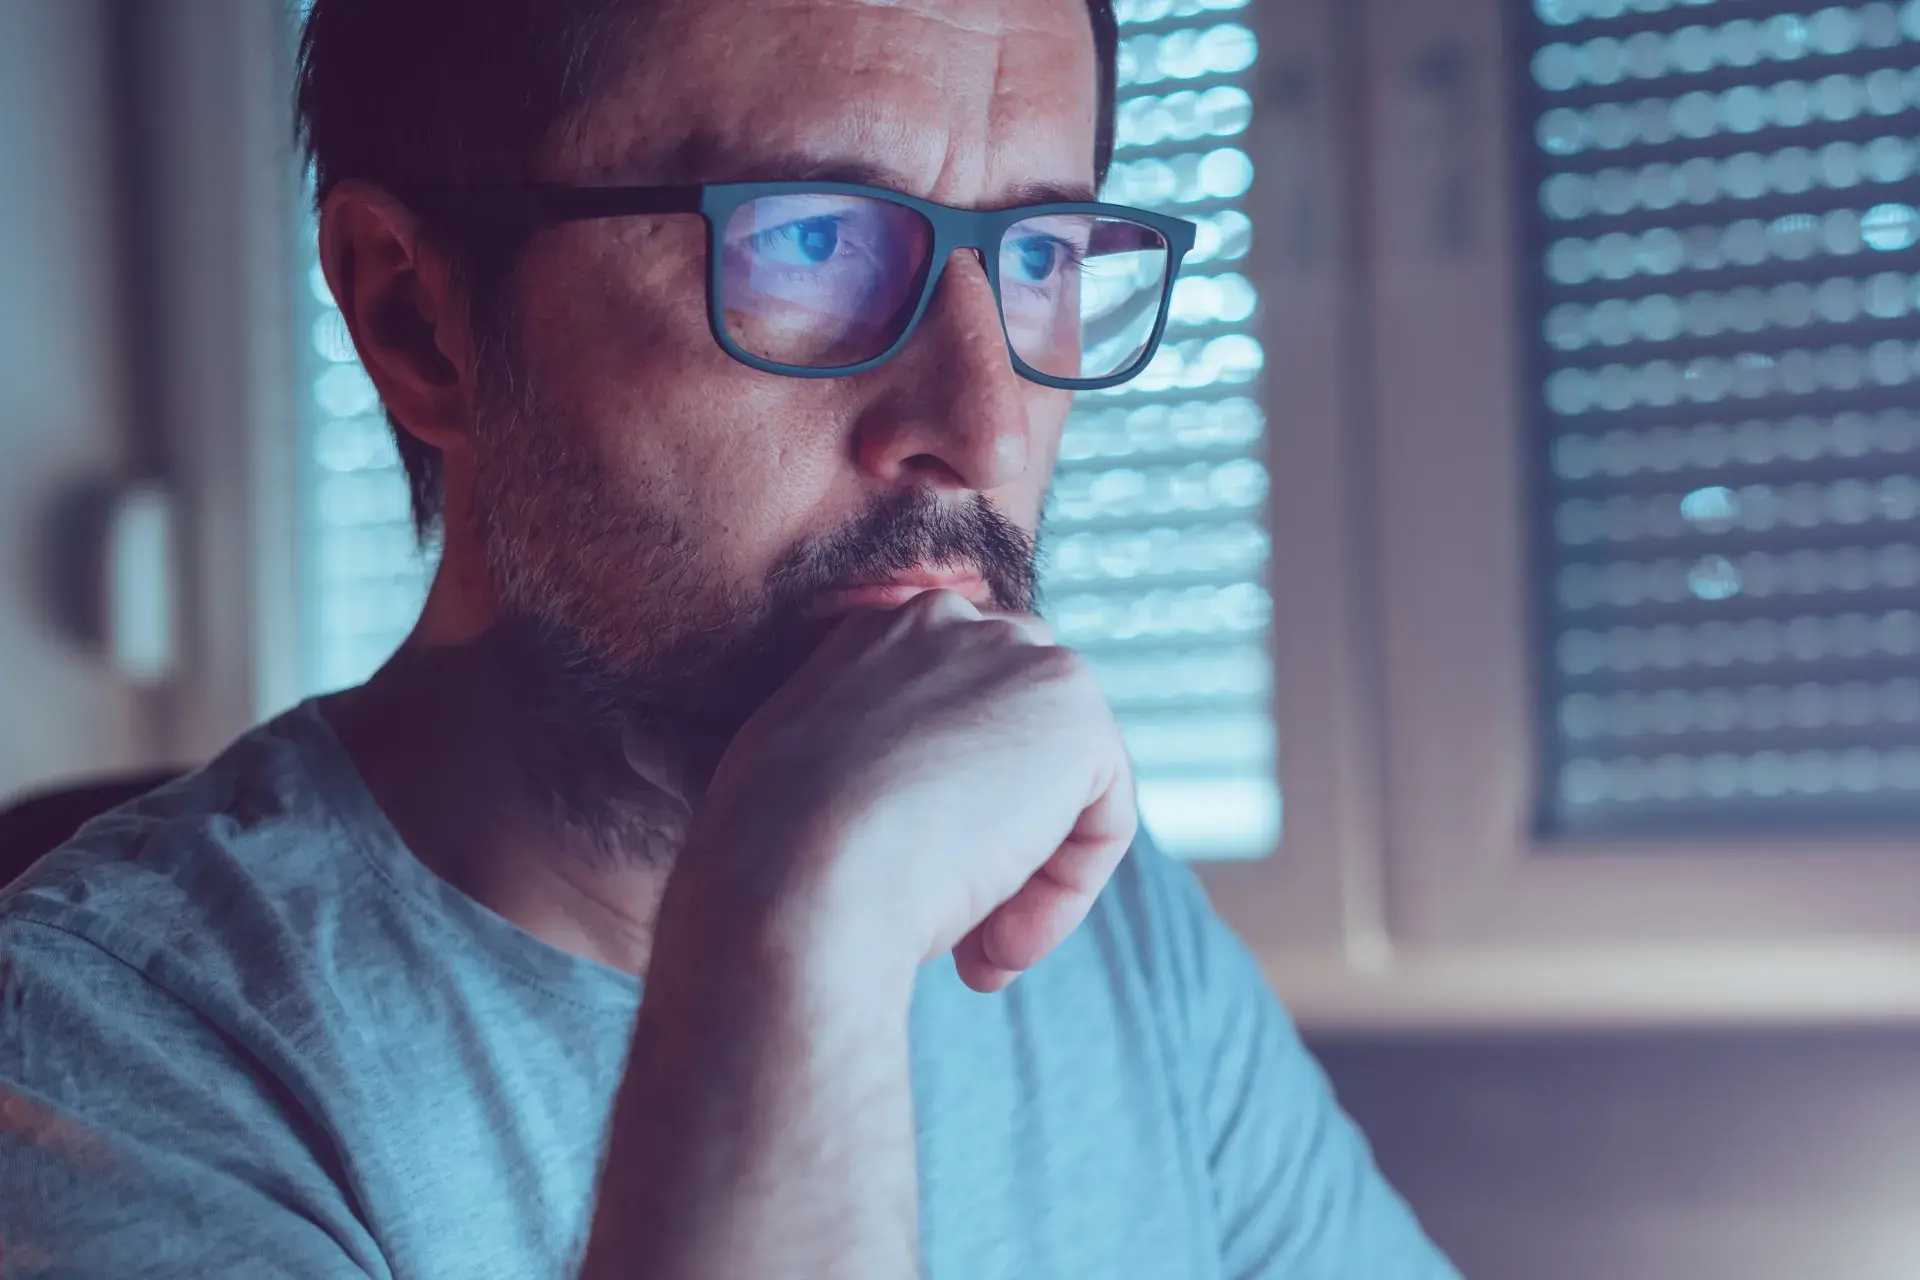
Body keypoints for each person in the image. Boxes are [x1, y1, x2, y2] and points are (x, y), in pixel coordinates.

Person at [0, 1, 1459, 1276]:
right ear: (418, 319)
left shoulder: (1108, 928)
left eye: (1041, 255)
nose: (985, 424)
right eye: (810, 239)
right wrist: (800, 936)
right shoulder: (99, 1068)